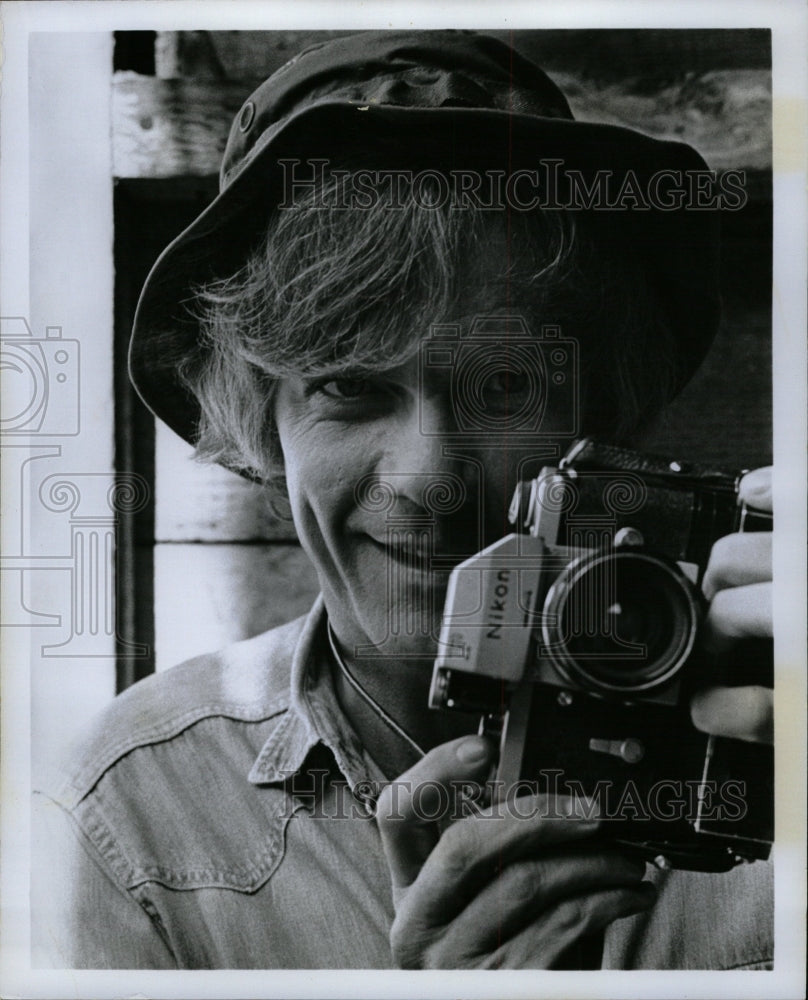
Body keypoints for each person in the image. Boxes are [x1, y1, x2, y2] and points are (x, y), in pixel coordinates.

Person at [32, 30, 773, 970]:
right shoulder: (124, 827)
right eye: (349, 387)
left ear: (601, 411)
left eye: (503, 386)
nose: (431, 475)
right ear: (264, 428)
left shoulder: (768, 727)